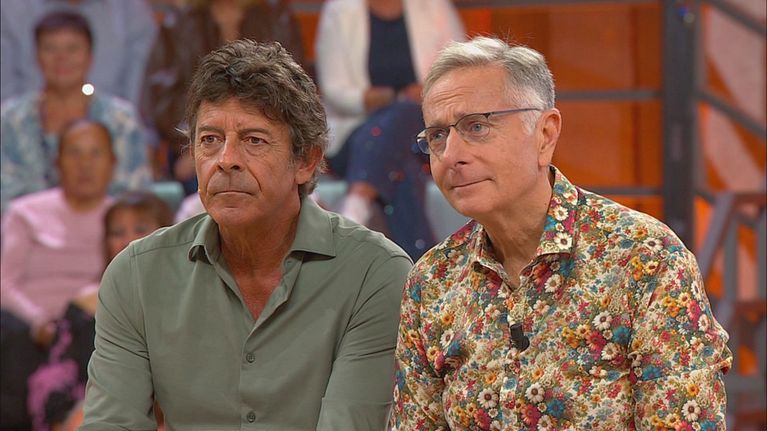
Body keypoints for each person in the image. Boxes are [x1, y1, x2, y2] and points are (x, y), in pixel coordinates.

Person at [391, 37, 732, 430]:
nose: (451, 155)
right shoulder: (432, 280)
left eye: (477, 126)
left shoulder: (645, 259)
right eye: (437, 136)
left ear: (545, 134)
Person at [80, 40, 412, 429]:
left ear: (306, 161)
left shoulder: (375, 274)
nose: (226, 161)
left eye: (254, 140)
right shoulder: (136, 275)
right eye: (210, 140)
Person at [315, 0, 464, 259]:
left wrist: (428, 92)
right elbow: (333, 88)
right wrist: (370, 99)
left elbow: (460, 71)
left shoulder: (433, 7)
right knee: (400, 160)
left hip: (423, 136)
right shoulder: (340, 11)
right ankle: (426, 266)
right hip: (356, 135)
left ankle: (356, 206)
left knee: (405, 113)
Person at [0, 118, 116, 430]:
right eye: (74, 153)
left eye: (95, 153)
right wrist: (38, 321)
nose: (85, 164)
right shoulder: (25, 212)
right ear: (57, 162)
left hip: (91, 326)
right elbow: (4, 282)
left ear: (113, 163)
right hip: (26, 327)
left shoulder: (123, 219)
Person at [26, 191, 173, 431]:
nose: (128, 241)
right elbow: (54, 379)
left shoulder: (187, 301)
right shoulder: (83, 306)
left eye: (140, 229)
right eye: (117, 233)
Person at [141, 0, 306, 195]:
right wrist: (198, 144)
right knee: (208, 176)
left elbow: (293, 92)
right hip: (192, 142)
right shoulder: (179, 24)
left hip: (265, 138)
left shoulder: (278, 18)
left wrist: (254, 139)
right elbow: (164, 100)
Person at [0, 10, 151, 214]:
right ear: (36, 56)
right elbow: (4, 194)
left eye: (72, 49)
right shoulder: (10, 119)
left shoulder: (121, 119)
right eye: (50, 48)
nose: (61, 58)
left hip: (106, 229)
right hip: (27, 228)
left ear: (90, 56)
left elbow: (135, 193)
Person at [0, 0, 157, 105]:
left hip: (111, 137)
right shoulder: (9, 9)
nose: (62, 58)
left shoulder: (132, 12)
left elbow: (138, 102)